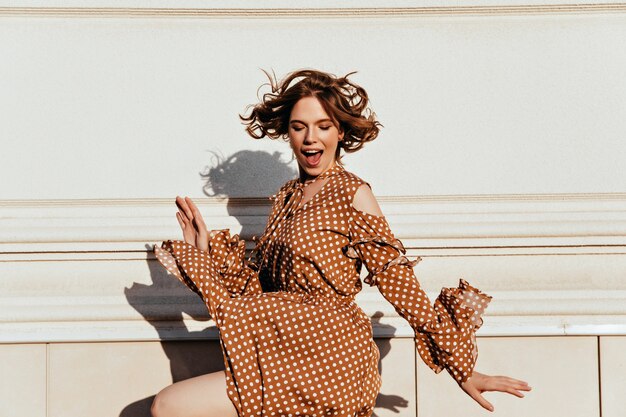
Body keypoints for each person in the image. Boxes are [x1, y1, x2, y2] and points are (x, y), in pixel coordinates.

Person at [150, 69, 531, 417]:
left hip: (330, 355)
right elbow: (261, 291)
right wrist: (203, 254)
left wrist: (460, 367)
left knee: (169, 405)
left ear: (341, 133)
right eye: (299, 127)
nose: (310, 137)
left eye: (323, 126)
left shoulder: (354, 193)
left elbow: (396, 280)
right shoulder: (286, 197)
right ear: (289, 134)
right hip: (283, 345)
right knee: (169, 405)